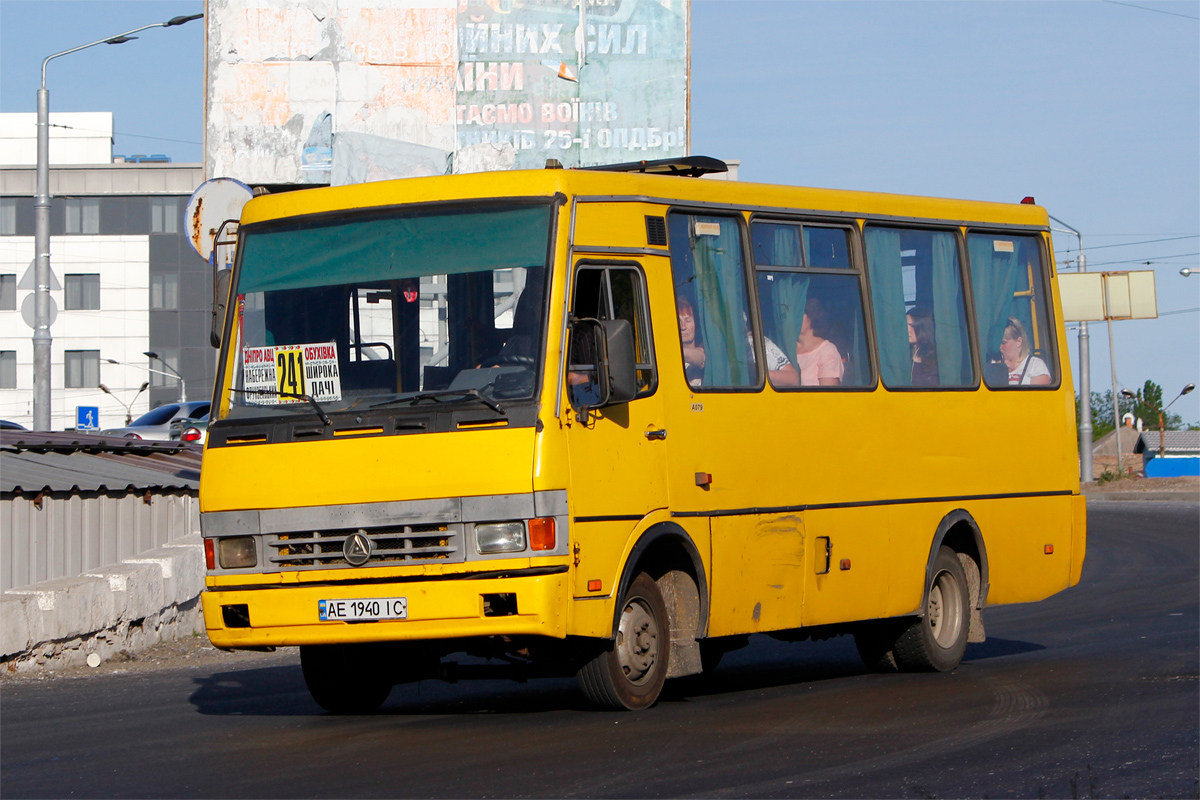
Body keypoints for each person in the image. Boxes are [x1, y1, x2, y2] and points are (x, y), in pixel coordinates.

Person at [794, 298, 843, 386]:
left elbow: (827, 396)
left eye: (798, 314)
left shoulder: (827, 351)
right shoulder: (785, 349)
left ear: (812, 317)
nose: (793, 319)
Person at [999, 317, 1051, 385]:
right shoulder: (992, 364)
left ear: (1018, 342)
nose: (1000, 347)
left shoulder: (1035, 365)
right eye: (998, 343)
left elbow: (1039, 395)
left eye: (1004, 343)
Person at [907, 306, 938, 386]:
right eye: (905, 325)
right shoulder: (900, 358)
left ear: (922, 328)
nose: (907, 330)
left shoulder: (936, 359)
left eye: (912, 326)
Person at [678, 297, 705, 387]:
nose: (683, 327)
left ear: (696, 324)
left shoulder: (705, 349)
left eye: (687, 320)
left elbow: (701, 359)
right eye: (678, 321)